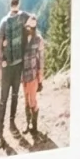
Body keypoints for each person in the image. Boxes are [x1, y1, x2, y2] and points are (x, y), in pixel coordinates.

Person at [0, 0, 28, 146]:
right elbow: (33, 20)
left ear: (10, 4)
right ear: (18, 4)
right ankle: (10, 125)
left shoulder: (4, 21)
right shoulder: (22, 17)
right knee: (13, 96)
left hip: (9, 67)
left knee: (4, 99)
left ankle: (1, 131)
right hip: (17, 65)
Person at [21, 13, 45, 141]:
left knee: (32, 101)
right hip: (23, 77)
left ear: (34, 27)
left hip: (33, 76)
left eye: (31, 27)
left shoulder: (39, 39)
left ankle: (34, 126)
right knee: (25, 101)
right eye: (27, 26)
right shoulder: (22, 39)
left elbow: (41, 60)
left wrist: (40, 79)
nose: (28, 28)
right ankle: (27, 123)